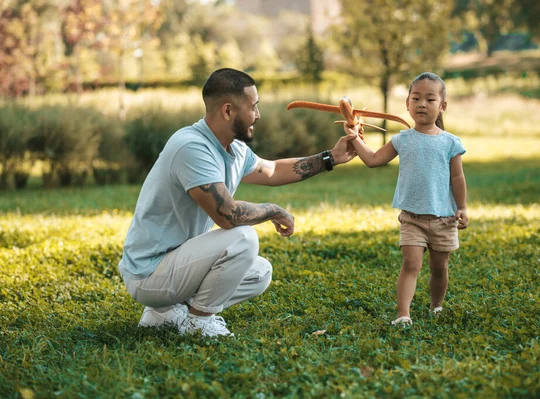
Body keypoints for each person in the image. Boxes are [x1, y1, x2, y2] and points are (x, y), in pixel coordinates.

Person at [119, 68, 357, 338]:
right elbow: (227, 215)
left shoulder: (233, 148)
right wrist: (273, 210)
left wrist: (331, 158)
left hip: (174, 267)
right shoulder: (191, 147)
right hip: (149, 273)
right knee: (242, 237)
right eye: (253, 107)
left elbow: (273, 170)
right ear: (228, 111)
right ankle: (198, 321)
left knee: (259, 272)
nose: (258, 115)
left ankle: (163, 313)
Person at [343, 72, 468, 327]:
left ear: (442, 106)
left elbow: (457, 178)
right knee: (411, 264)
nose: (422, 103)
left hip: (444, 219)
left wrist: (462, 207)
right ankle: (403, 314)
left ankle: (436, 306)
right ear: (407, 104)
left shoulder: (450, 143)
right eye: (416, 98)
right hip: (412, 218)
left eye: (430, 99)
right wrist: (355, 137)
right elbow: (373, 159)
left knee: (439, 269)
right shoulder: (401, 139)